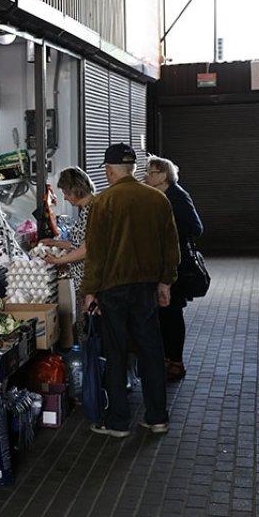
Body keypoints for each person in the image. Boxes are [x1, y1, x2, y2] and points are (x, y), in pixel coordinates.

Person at [80, 143, 180, 438]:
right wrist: (165, 282)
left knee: (116, 352)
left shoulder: (104, 202)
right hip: (146, 287)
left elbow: (95, 254)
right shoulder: (157, 199)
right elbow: (170, 246)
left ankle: (118, 422)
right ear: (134, 169)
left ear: (110, 171)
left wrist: (89, 291)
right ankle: (157, 417)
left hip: (113, 288)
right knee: (151, 350)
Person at [144, 154, 203, 382]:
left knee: (172, 312)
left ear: (164, 176)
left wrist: (169, 233)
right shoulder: (157, 196)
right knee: (165, 314)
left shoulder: (177, 196)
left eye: (152, 172)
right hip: (163, 264)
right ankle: (168, 359)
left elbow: (196, 228)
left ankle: (176, 362)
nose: (147, 176)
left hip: (177, 265)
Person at [40, 167, 95, 340]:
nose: (64, 197)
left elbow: (87, 249)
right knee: (85, 327)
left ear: (74, 189)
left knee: (89, 329)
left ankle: (93, 364)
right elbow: (79, 243)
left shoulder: (92, 210)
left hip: (91, 282)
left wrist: (58, 260)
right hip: (85, 283)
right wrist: (54, 243)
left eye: (65, 192)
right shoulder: (87, 209)